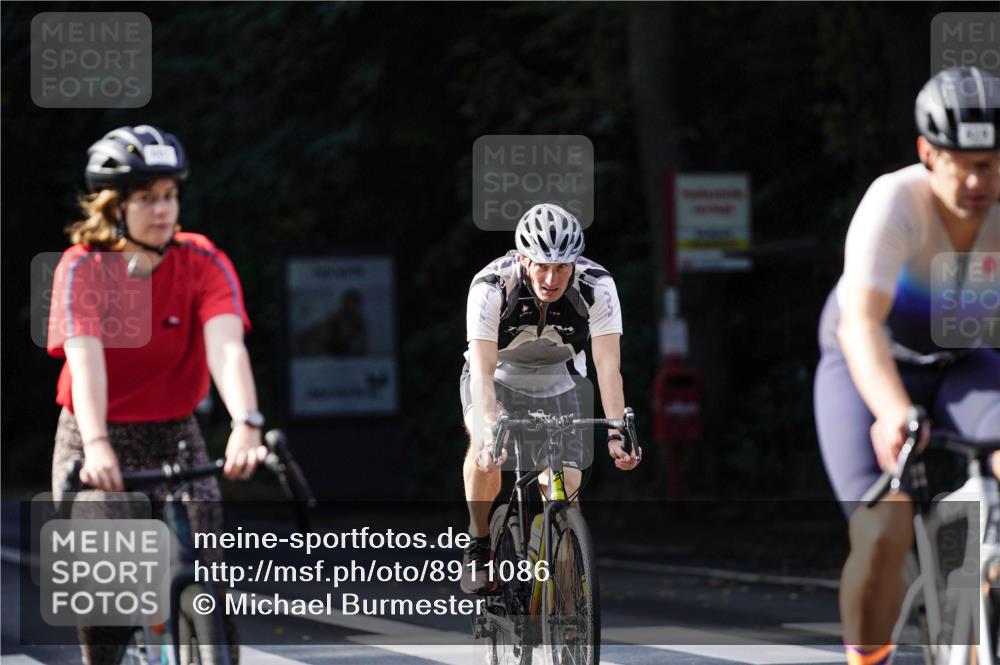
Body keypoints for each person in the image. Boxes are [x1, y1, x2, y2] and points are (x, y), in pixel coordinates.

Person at [47, 125, 268, 665]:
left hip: (175, 431)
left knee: (210, 569)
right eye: (146, 198)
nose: (163, 209)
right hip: (95, 432)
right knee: (108, 587)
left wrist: (246, 422)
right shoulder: (83, 267)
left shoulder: (202, 260)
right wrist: (97, 445)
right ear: (113, 207)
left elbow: (226, 349)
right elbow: (86, 358)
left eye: (170, 195)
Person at [814, 66, 1000, 665]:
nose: (977, 179)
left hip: (964, 361)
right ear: (927, 152)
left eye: (991, 163)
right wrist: (893, 412)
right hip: (868, 360)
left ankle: (980, 584)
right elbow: (860, 323)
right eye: (961, 163)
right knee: (882, 531)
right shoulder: (894, 202)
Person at [459, 202, 642, 594]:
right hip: (497, 378)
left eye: (562, 266)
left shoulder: (597, 285)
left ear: (576, 262)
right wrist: (490, 431)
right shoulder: (491, 286)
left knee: (565, 490)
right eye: (541, 265)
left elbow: (608, 366)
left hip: (559, 382)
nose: (551, 277)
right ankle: (478, 542)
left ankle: (566, 607)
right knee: (484, 450)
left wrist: (616, 433)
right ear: (522, 257)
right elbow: (483, 371)